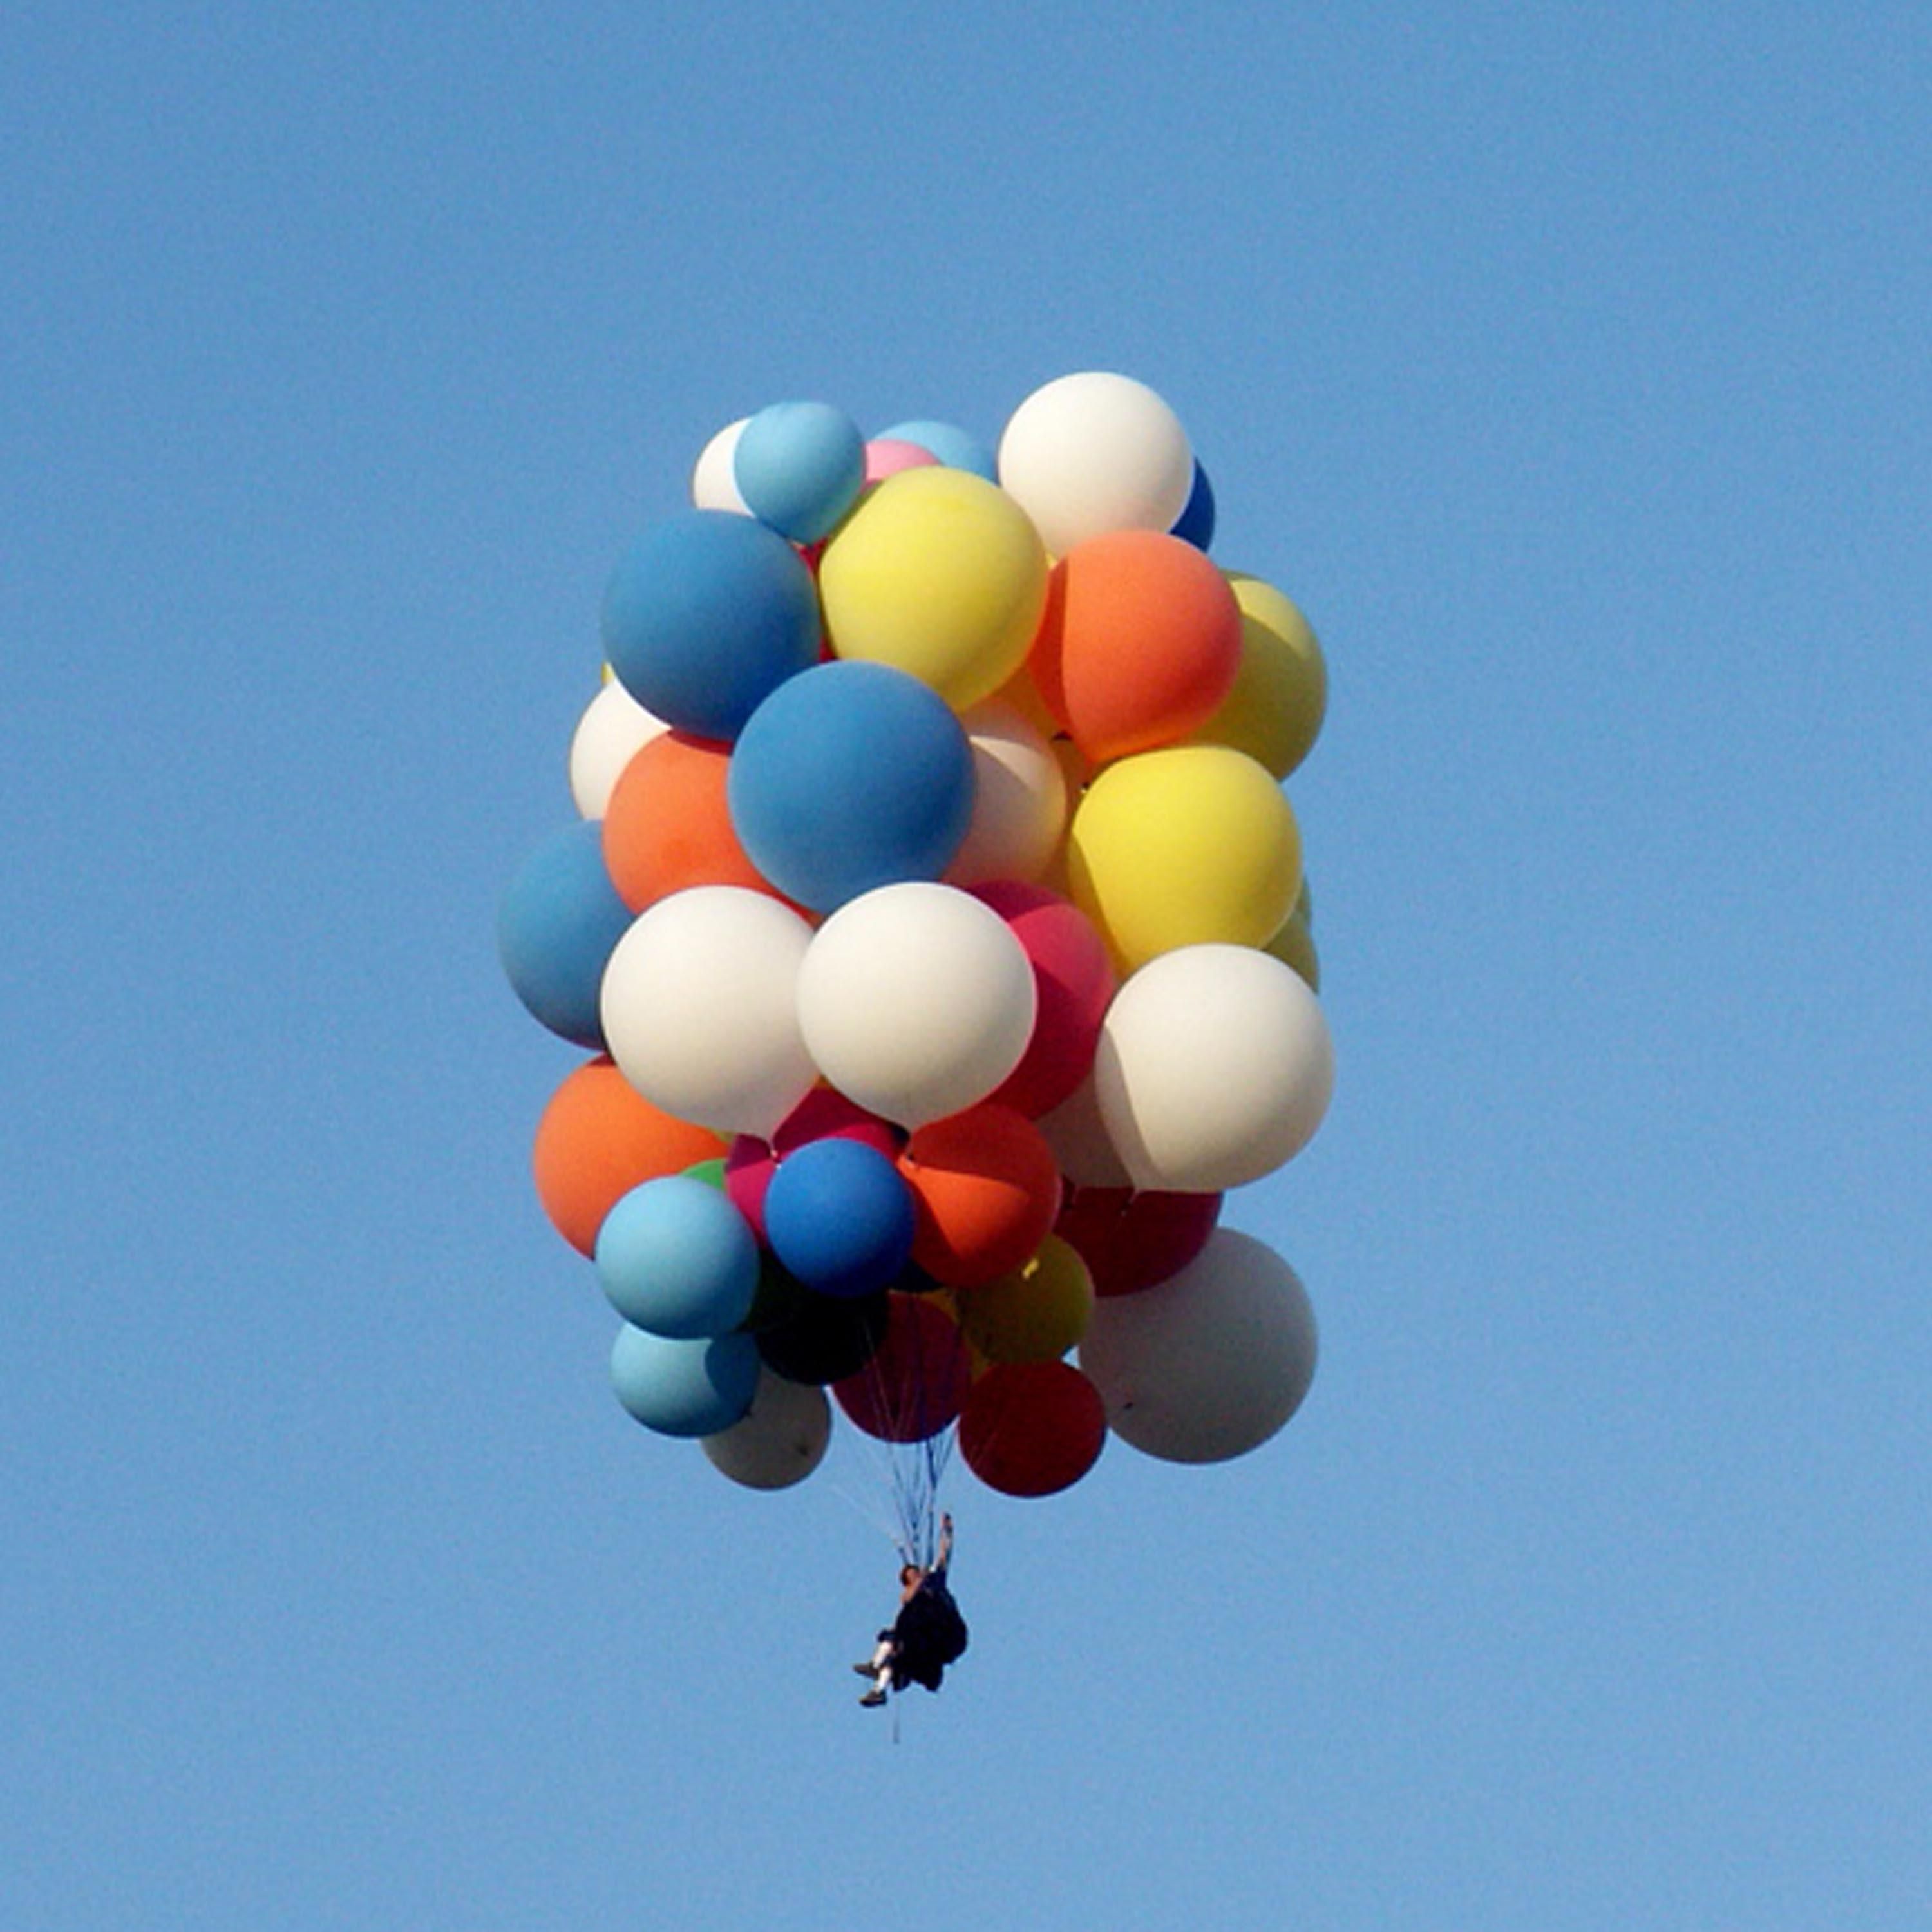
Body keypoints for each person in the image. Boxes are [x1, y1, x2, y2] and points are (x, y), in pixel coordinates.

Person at [855, 1512, 968, 1706]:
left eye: (914, 1572)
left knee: (901, 1637)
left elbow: (944, 1555)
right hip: (925, 1637)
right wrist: (918, 1583)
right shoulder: (910, 1596)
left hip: (945, 1631)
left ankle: (878, 1670)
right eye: (910, 1576)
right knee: (894, 1647)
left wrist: (947, 1531)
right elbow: (908, 1600)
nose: (915, 1575)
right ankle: (877, 1682)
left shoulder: (935, 1579)